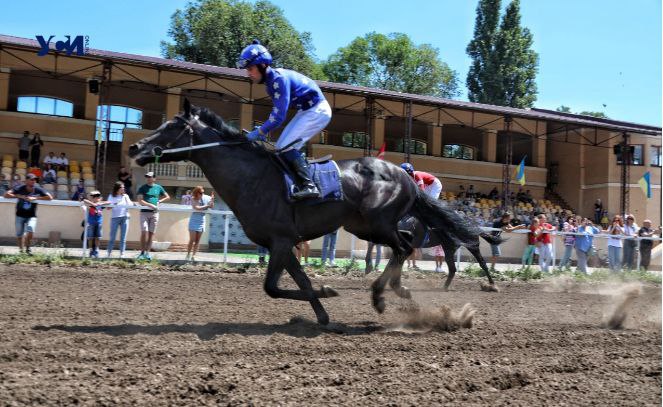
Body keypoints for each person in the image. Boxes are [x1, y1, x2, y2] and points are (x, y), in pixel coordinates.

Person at [238, 40, 332, 200]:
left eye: (250, 68)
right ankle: (299, 180)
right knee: (281, 147)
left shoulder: (278, 80)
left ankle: (309, 186)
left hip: (317, 110)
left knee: (284, 146)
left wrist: (260, 132)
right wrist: (261, 131)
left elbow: (278, 117)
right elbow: (277, 114)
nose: (248, 73)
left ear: (262, 65)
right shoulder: (271, 82)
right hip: (308, 110)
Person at [401, 163, 443, 270]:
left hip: (434, 185)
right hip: (428, 185)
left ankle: (430, 227)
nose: (408, 175)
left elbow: (421, 195)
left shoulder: (417, 176)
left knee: (427, 204)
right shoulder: (408, 179)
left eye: (409, 173)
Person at [4, 173, 53, 254]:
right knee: (19, 235)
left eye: (35, 180)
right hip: (19, 215)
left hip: (31, 216)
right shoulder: (19, 188)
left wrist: (35, 197)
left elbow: (50, 197)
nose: (34, 181)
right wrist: (20, 196)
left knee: (30, 230)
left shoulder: (38, 189)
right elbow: (6, 194)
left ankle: (28, 249)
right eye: (32, 179)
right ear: (26, 180)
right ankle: (21, 251)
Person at [136, 171, 170, 260]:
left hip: (155, 213)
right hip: (144, 212)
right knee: (144, 232)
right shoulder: (142, 188)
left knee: (151, 234)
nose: (148, 178)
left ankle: (147, 254)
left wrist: (160, 201)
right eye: (147, 177)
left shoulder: (159, 187)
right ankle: (142, 253)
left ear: (154, 178)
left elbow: (167, 196)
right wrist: (150, 205)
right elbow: (140, 200)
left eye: (150, 177)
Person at [186, 186, 214, 261]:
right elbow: (196, 208)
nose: (202, 194)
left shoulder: (206, 198)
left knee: (197, 241)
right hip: (194, 220)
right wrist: (207, 205)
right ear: (196, 192)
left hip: (202, 220)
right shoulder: (193, 198)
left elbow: (211, 206)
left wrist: (212, 200)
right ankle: (188, 254)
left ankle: (194, 255)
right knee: (192, 239)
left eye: (203, 192)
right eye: (200, 193)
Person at [106, 181, 133, 258]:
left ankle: (122, 253)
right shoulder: (111, 196)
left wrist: (127, 199)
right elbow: (108, 207)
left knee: (123, 237)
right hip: (115, 218)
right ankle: (109, 253)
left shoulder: (125, 196)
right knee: (112, 237)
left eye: (124, 187)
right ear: (117, 188)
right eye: (122, 187)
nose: (123, 189)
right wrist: (114, 204)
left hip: (125, 217)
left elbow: (131, 205)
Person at [83, 191, 110, 258]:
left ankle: (96, 251)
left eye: (98, 197)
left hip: (99, 223)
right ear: (92, 198)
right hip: (91, 223)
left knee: (98, 237)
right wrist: (93, 204)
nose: (97, 198)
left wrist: (100, 203)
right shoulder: (89, 204)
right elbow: (84, 200)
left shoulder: (100, 204)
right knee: (90, 238)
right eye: (95, 197)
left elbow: (109, 202)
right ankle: (91, 251)